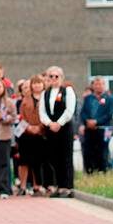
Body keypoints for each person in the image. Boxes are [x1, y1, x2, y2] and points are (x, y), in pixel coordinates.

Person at [39, 66, 77, 197]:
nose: (54, 79)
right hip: (51, 128)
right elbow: (42, 112)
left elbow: (69, 110)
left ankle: (67, 187)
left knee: (65, 157)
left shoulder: (68, 91)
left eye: (56, 76)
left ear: (61, 78)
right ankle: (59, 186)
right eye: (51, 76)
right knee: (54, 158)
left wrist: (59, 123)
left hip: (64, 128)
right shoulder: (46, 93)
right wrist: (49, 123)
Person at [18, 75, 46, 195]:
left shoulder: (46, 97)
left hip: (41, 133)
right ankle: (23, 186)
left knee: (38, 161)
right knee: (24, 160)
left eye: (39, 83)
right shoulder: (25, 99)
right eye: (34, 83)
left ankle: (37, 185)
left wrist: (40, 127)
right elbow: (21, 116)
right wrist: (29, 127)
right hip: (27, 133)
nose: (37, 85)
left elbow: (48, 114)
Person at [80, 76, 113, 174]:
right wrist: (87, 121)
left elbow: (109, 114)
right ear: (93, 86)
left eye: (101, 84)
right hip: (89, 129)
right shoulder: (88, 98)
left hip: (105, 129)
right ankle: (90, 171)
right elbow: (83, 112)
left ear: (104, 85)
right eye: (96, 84)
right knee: (89, 151)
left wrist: (96, 122)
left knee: (103, 150)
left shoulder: (109, 98)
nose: (99, 86)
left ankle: (103, 170)